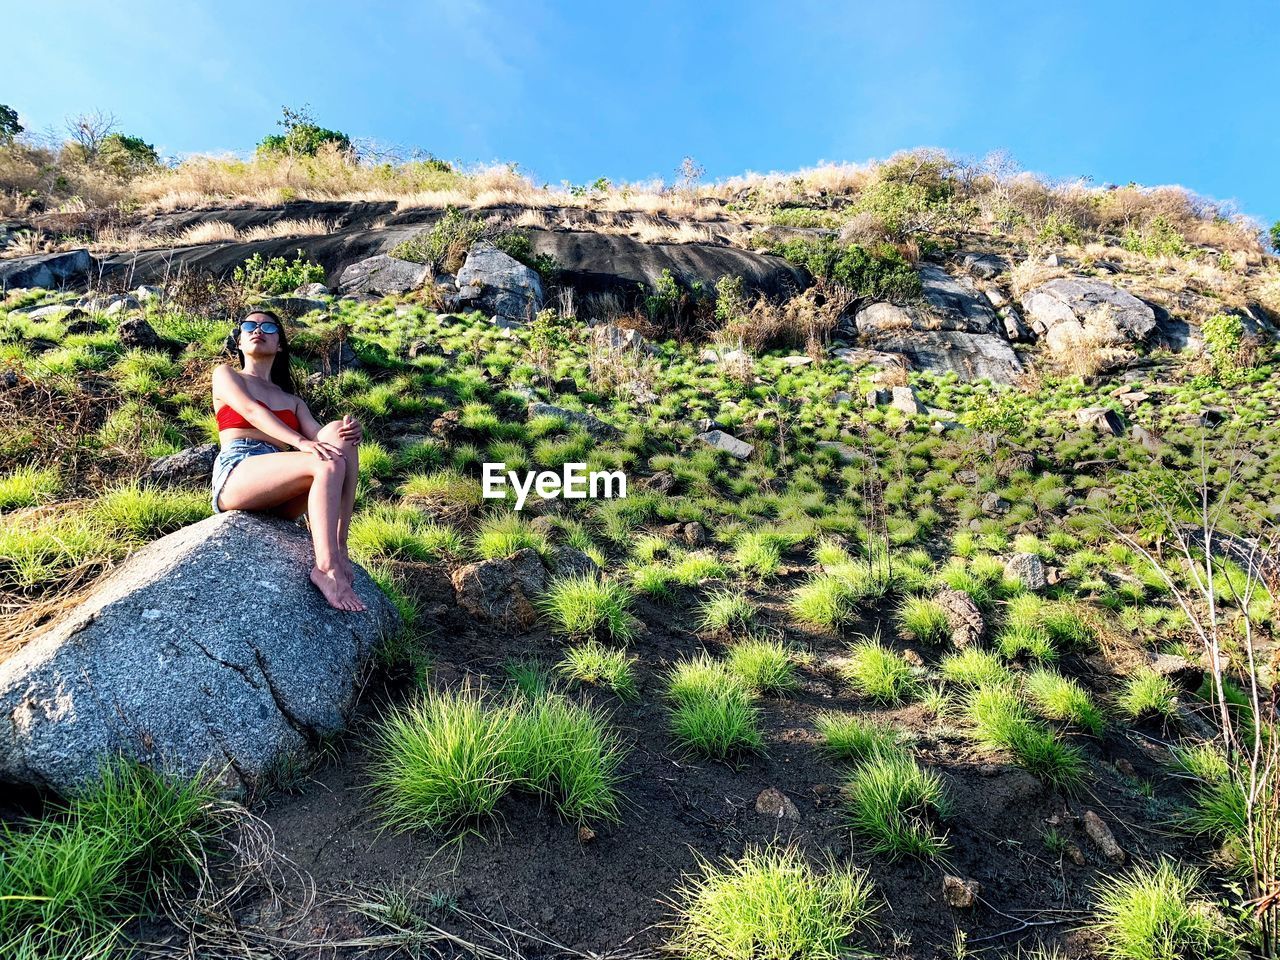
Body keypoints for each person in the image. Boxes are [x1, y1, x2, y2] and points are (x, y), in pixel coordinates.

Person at [210, 310, 367, 612]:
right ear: (240, 341)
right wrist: (299, 442)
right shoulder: (226, 375)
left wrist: (347, 431)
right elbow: (252, 412)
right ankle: (326, 567)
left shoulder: (292, 401)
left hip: (279, 486)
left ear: (279, 344)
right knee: (325, 463)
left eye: (268, 327)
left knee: (339, 435)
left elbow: (324, 439)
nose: (258, 330)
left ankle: (340, 546)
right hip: (240, 470)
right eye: (249, 326)